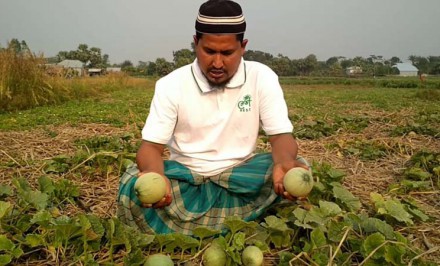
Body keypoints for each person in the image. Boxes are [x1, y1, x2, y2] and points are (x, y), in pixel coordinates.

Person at [117, 0, 309, 236]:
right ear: (196, 43)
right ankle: (249, 221)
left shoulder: (262, 77)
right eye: (209, 51)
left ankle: (185, 226)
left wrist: (285, 163)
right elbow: (150, 148)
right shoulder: (171, 85)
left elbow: (280, 137)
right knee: (131, 184)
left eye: (227, 53)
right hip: (187, 178)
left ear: (243, 46)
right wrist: (156, 175)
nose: (217, 63)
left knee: (298, 170)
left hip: (241, 176)